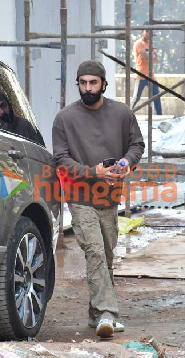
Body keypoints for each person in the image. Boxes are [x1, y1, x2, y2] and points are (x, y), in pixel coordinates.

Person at [52, 60, 145, 338]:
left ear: (104, 84)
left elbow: (137, 144)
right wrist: (93, 172)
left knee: (105, 254)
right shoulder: (65, 119)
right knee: (93, 250)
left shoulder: (122, 113)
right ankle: (107, 313)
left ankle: (96, 312)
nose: (88, 88)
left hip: (110, 197)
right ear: (78, 84)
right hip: (79, 196)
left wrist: (127, 163)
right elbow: (60, 158)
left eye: (93, 82)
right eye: (83, 83)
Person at [131, 28, 162, 115]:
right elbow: (145, 56)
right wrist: (151, 55)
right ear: (142, 32)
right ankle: (127, 114)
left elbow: (157, 59)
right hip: (140, 75)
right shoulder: (138, 43)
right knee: (136, 98)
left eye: (150, 32)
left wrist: (149, 54)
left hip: (151, 76)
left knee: (156, 97)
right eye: (147, 31)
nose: (148, 34)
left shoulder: (151, 44)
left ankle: (160, 116)